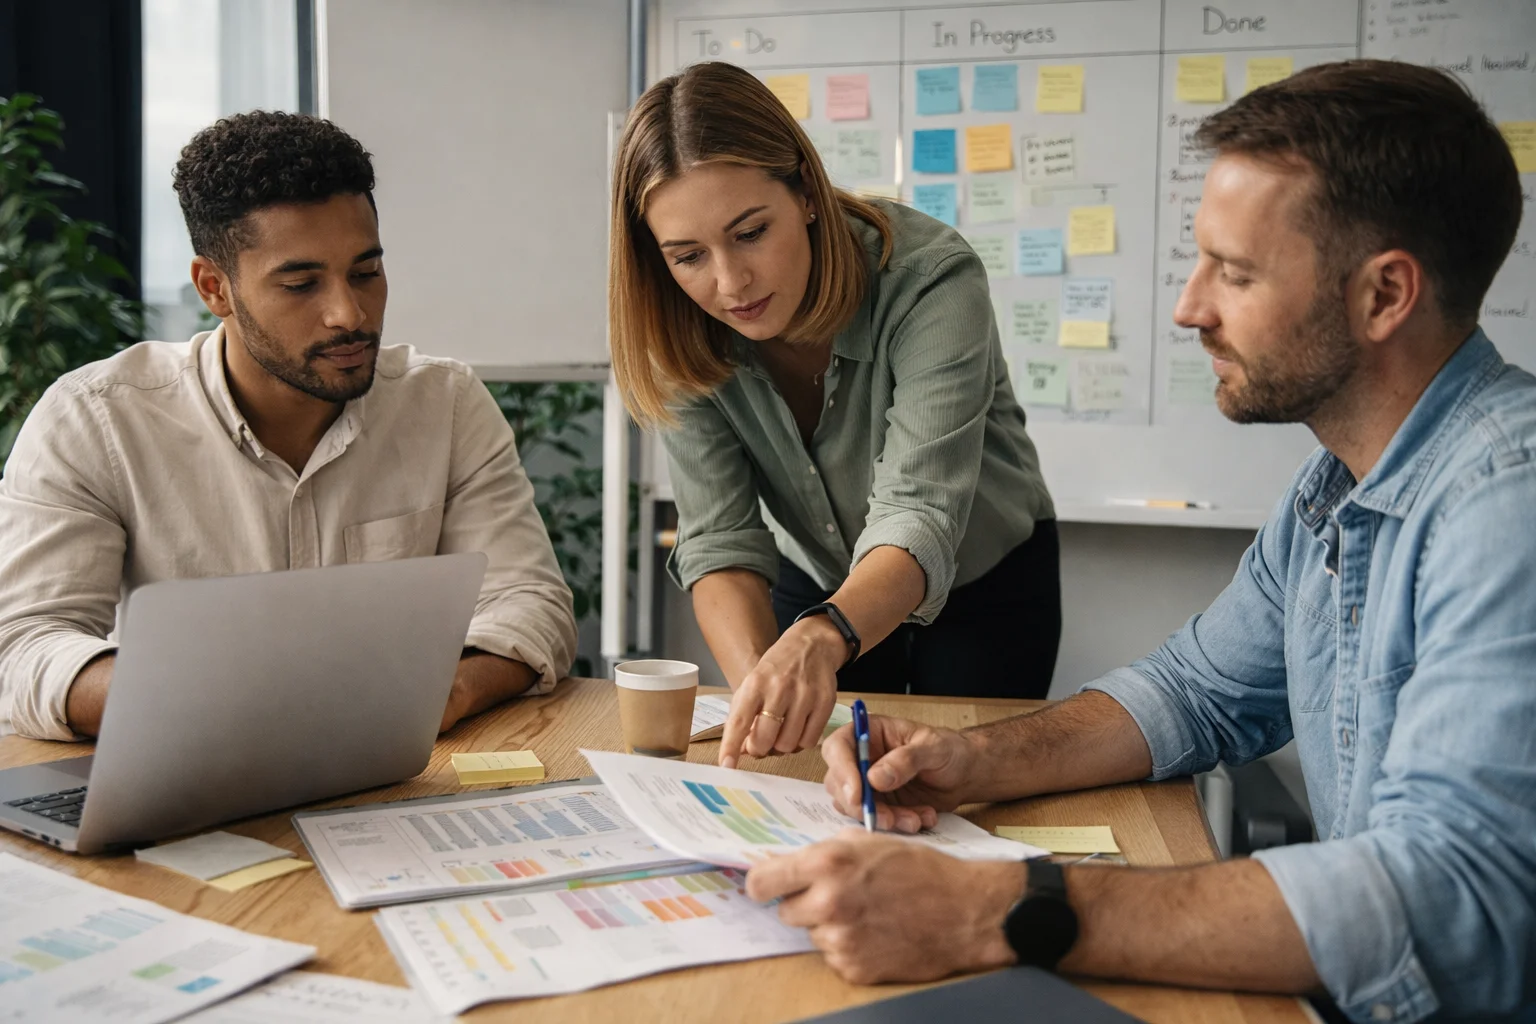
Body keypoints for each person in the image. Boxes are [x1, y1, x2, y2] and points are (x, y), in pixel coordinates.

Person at [746, 60, 1534, 1023]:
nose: (1189, 307)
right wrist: (971, 760)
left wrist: (1001, 909)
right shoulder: (1334, 488)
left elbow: (1448, 901)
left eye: (1234, 274)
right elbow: (1195, 693)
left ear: (1384, 296)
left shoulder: (1506, 507)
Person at [0, 111, 577, 740]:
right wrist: (193, 701)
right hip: (190, 765)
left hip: (394, 773)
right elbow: (22, 647)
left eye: (366, 272)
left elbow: (531, 602)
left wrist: (450, 689)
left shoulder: (445, 404)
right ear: (215, 288)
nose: (349, 314)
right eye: (301, 283)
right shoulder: (96, 419)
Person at [608, 61, 1059, 770]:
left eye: (751, 232)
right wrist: (763, 683)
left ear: (807, 194)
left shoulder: (930, 279)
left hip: (982, 578)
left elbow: (919, 513)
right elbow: (720, 537)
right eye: (688, 255)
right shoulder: (675, 326)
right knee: (803, 780)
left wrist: (820, 639)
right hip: (817, 578)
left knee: (957, 798)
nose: (730, 284)